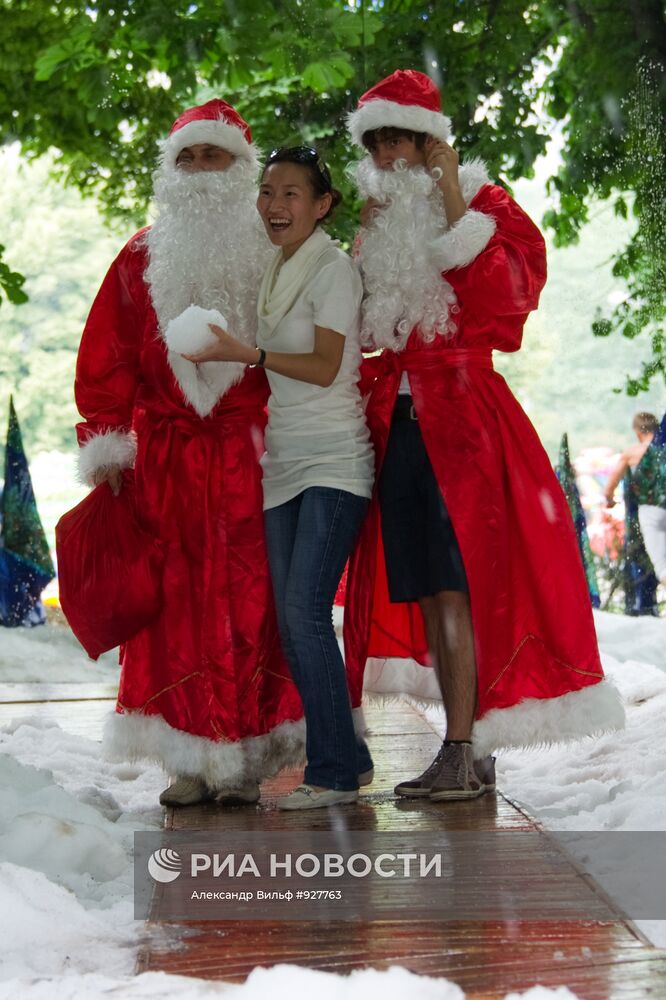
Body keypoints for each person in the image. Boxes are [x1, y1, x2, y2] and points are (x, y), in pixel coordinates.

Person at [343, 69, 624, 801]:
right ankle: (462, 744)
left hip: (465, 421)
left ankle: (466, 748)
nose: (387, 159)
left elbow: (505, 307)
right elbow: (366, 327)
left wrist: (452, 203)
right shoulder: (372, 221)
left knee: (458, 587)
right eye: (377, 146)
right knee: (431, 591)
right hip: (398, 420)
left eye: (400, 142)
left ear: (432, 142)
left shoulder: (489, 207)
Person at [74, 99, 304, 807]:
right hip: (167, 459)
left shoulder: (278, 253)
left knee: (260, 602)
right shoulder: (141, 256)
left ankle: (252, 754)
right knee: (174, 601)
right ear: (170, 173)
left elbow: (309, 345)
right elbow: (106, 354)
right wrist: (107, 439)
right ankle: (188, 758)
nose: (202, 171)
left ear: (243, 168)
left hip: (257, 452)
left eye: (217, 157)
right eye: (189, 158)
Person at [182, 145, 375, 810]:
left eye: (292, 193)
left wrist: (251, 354)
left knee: (304, 612)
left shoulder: (334, 269)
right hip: (283, 463)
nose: (274, 204)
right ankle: (349, 754)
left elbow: (324, 367)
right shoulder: (275, 265)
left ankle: (333, 776)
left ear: (322, 205)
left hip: (333, 460)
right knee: (294, 623)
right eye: (268, 191)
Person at [606, 412, 666, 586]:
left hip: (650, 510)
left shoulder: (632, 452)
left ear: (638, 432)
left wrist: (609, 499)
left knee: (662, 565)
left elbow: (611, 484)